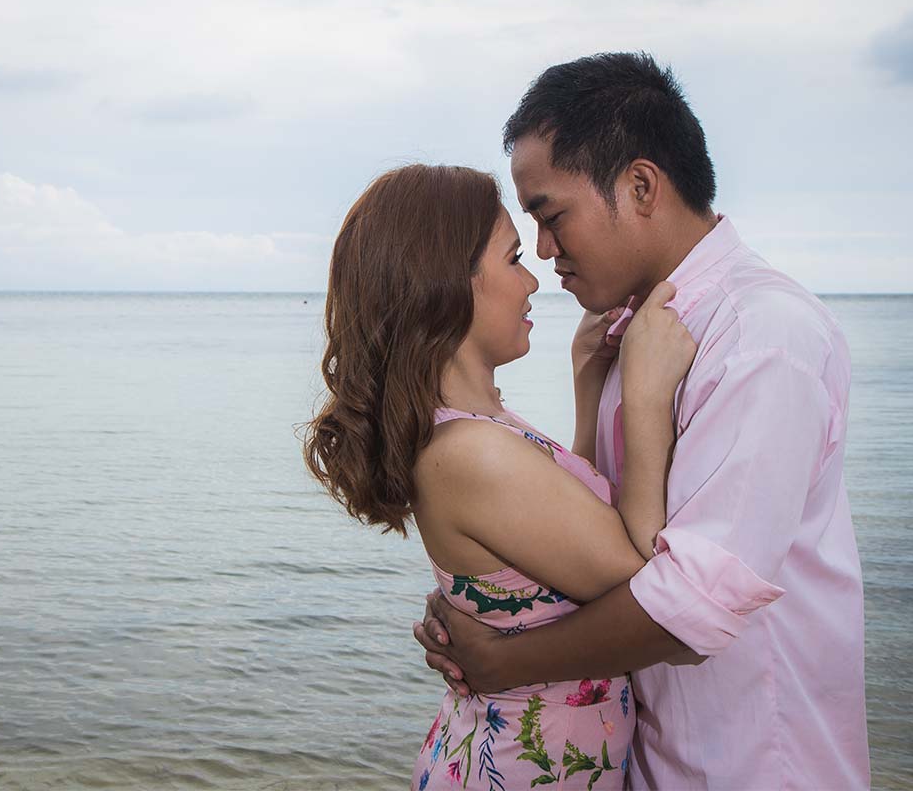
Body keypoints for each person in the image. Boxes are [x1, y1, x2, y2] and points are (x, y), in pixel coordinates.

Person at [414, 53, 870, 789]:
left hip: (748, 766)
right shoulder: (638, 334)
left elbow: (690, 609)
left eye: (551, 217)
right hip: (647, 763)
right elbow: (599, 535)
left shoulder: (761, 338)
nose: (545, 253)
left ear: (640, 186)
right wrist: (490, 598)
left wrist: (503, 659)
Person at [303, 162, 697, 790]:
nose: (533, 279)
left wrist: (588, 380)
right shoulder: (471, 452)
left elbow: (571, 528)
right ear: (448, 285)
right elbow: (648, 584)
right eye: (513, 258)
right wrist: (646, 400)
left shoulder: (476, 429)